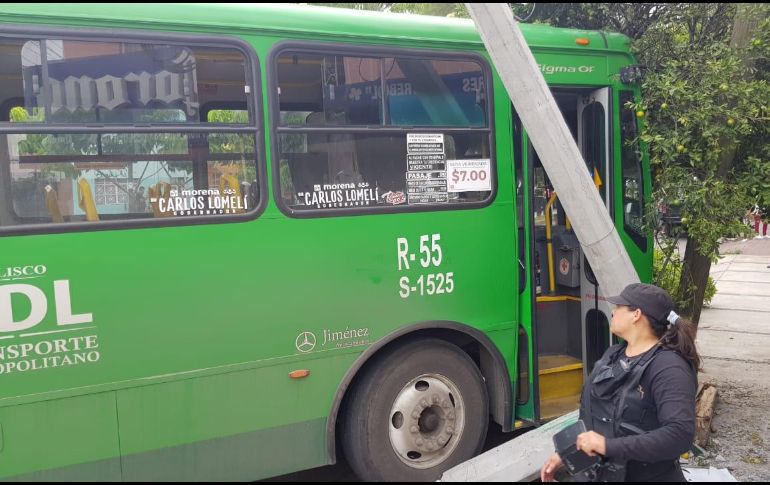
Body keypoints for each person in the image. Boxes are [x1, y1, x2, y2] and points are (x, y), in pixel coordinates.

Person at [541, 283, 700, 482]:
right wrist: (568, 454)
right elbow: (598, 417)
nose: (613, 312)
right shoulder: (614, 355)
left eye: (619, 307)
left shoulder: (669, 368)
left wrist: (607, 446)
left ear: (636, 314)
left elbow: (679, 435)